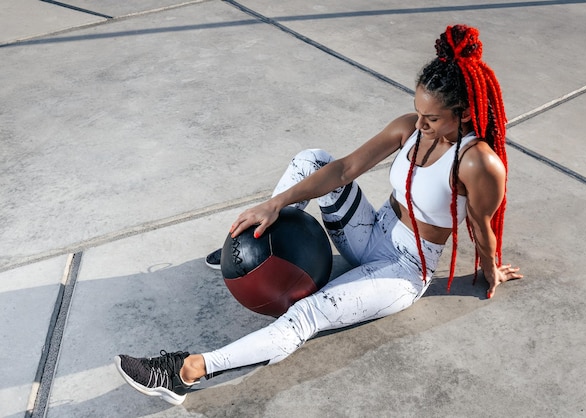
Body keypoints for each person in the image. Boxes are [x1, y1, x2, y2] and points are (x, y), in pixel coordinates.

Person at [115, 24, 523, 406]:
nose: (419, 123)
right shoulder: (408, 129)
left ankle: (184, 372)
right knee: (312, 160)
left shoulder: (478, 164)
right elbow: (344, 169)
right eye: (418, 111)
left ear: (465, 113)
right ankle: (251, 245)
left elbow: (482, 227)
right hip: (372, 230)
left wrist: (490, 270)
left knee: (306, 315)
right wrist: (275, 203)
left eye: (431, 119)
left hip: (404, 266)